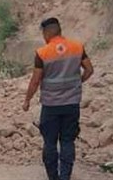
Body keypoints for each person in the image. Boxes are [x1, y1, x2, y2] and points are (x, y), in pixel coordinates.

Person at [22, 17, 94, 180]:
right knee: (68, 141)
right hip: (71, 104)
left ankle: (53, 177)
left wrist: (27, 100)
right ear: (60, 30)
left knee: (50, 142)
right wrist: (77, 83)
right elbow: (89, 70)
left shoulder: (42, 53)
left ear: (47, 33)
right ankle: (65, 177)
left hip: (51, 105)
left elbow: (35, 81)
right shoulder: (77, 47)